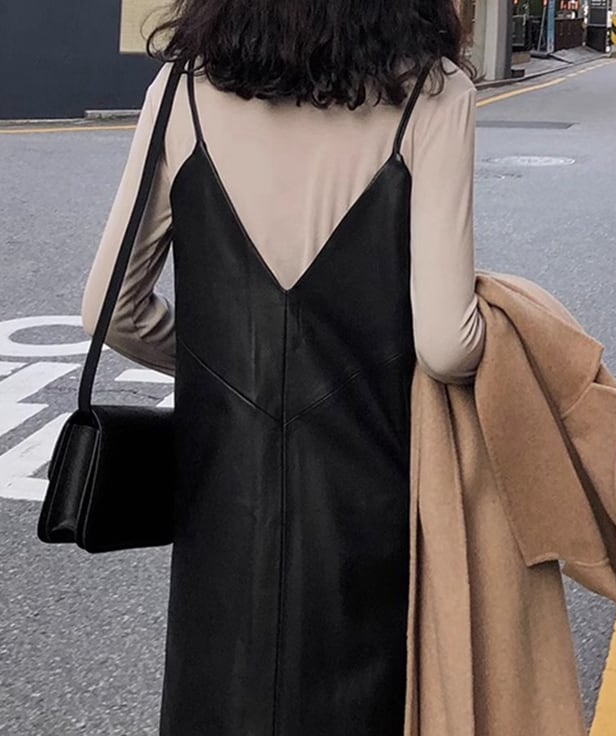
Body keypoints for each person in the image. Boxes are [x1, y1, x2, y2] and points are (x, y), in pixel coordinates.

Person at [80, 0, 485, 734]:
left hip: (220, 485)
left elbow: (113, 310)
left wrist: (222, 366)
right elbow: (447, 344)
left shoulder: (182, 88)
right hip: (368, 483)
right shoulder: (433, 90)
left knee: (221, 685)